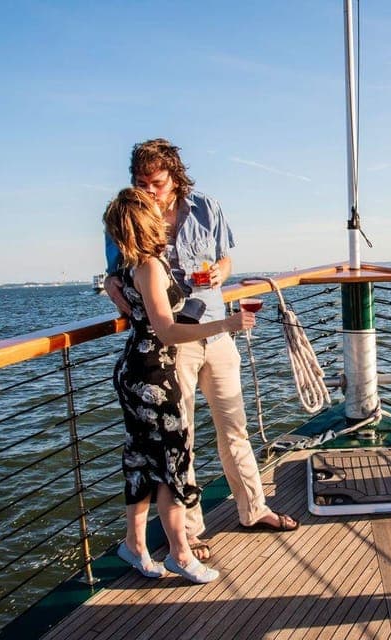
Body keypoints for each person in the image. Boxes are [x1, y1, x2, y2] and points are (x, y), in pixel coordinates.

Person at [104, 139, 299, 564]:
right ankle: (187, 536)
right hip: (175, 344)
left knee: (235, 428)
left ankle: (254, 509)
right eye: (141, 182)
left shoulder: (207, 207)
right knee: (183, 439)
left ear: (174, 176)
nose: (149, 190)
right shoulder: (131, 215)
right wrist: (109, 284)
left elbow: (227, 262)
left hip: (217, 333)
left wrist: (217, 271)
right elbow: (116, 274)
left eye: (156, 182)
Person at [103, 187, 255, 583]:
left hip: (133, 369)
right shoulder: (151, 266)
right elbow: (167, 332)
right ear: (146, 223)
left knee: (139, 461)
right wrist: (227, 323)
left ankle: (134, 546)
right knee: (173, 463)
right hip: (155, 372)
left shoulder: (125, 267)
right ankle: (180, 555)